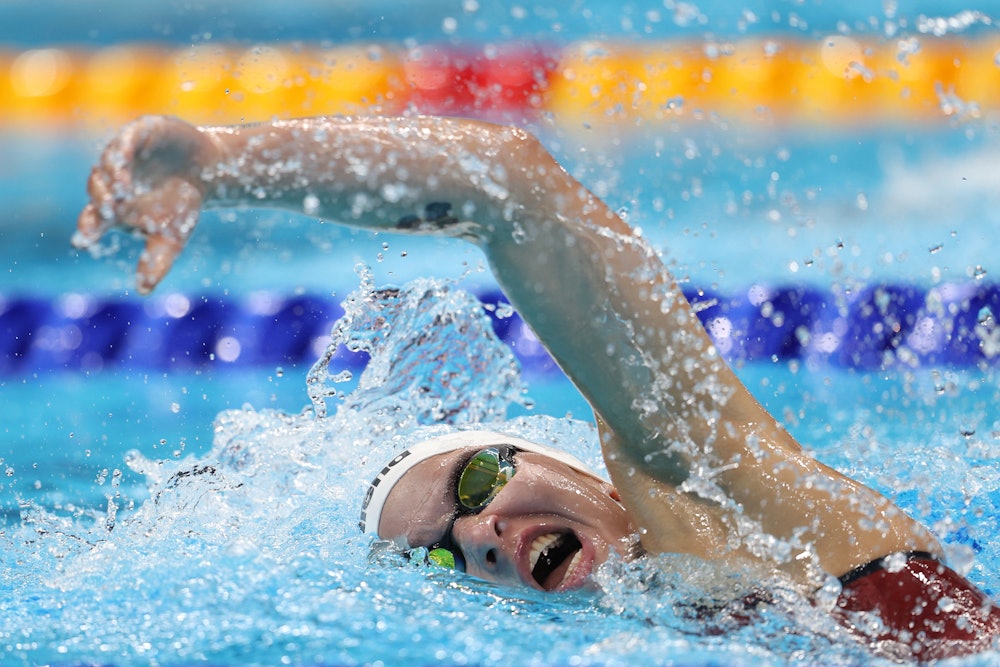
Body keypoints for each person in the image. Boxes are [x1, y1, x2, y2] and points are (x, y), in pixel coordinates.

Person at [74, 114, 1000, 660]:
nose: (474, 534)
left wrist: (222, 164)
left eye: (474, 483)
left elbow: (510, 187)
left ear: (578, 467)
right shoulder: (671, 628)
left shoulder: (728, 499)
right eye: (437, 553)